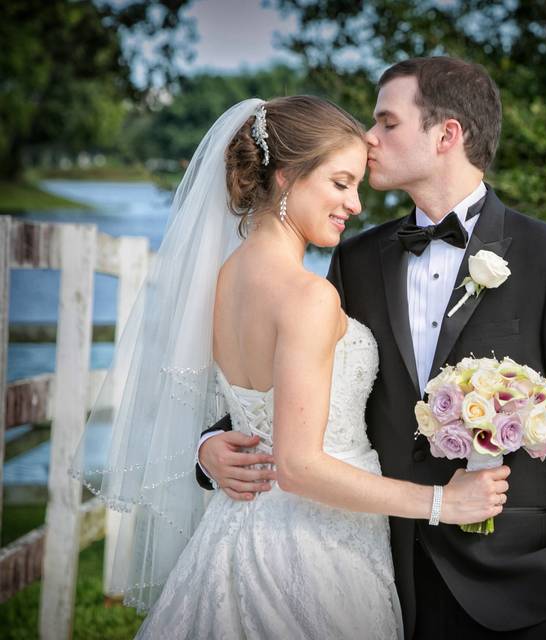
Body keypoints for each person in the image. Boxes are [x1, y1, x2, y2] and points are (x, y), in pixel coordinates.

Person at [199, 58, 546, 639]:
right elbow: (303, 386)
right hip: (379, 568)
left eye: (386, 122)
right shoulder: (355, 260)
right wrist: (210, 445)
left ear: (446, 135)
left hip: (515, 587)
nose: (367, 137)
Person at [72, 95, 509, 640]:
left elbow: (248, 414)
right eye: (340, 183)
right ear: (285, 177)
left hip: (234, 532)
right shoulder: (307, 297)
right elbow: (300, 466)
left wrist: (208, 450)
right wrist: (445, 502)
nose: (354, 204)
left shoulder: (223, 281)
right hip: (312, 550)